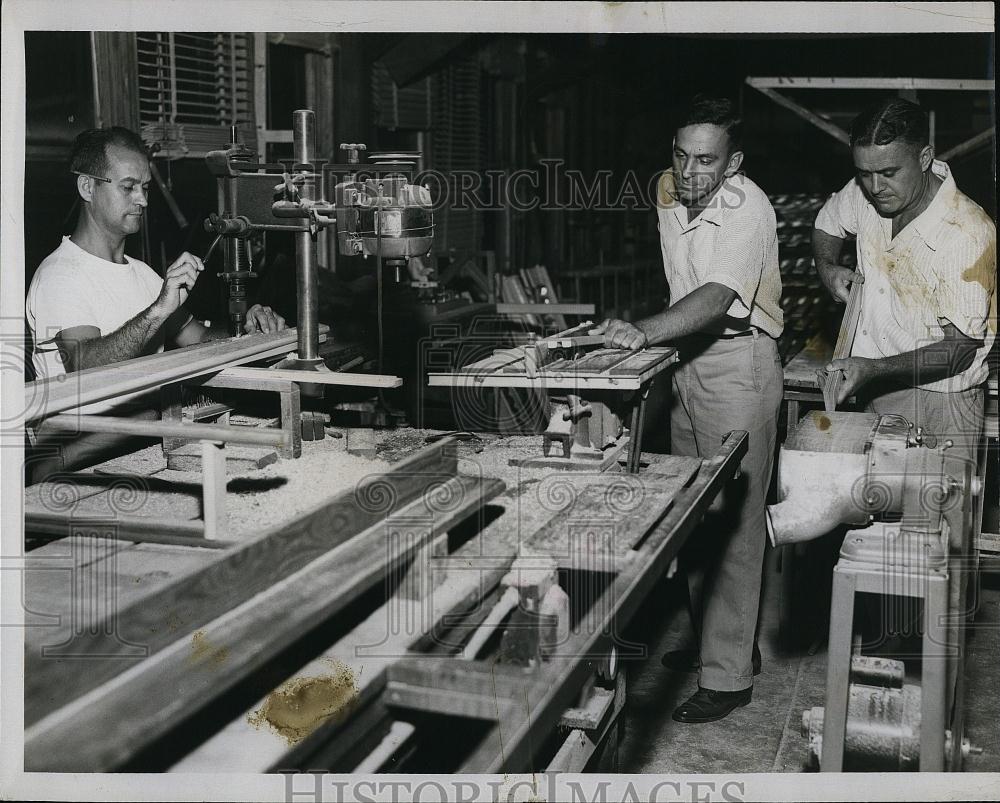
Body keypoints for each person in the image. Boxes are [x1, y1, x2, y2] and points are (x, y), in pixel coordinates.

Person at [593, 96, 783, 723]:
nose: (690, 171)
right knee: (694, 513)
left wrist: (643, 333)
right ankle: (716, 646)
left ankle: (728, 677)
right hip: (688, 362)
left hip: (739, 362)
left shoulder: (748, 207)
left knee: (735, 521)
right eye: (681, 154)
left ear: (735, 165)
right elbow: (682, 281)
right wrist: (664, 346)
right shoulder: (666, 191)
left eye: (707, 159)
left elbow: (715, 296)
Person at [25, 126, 286, 478]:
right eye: (128, 187)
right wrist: (159, 308)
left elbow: (197, 340)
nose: (143, 200)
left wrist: (248, 330)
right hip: (77, 460)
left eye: (145, 188)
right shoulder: (60, 275)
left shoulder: (143, 274)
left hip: (144, 441)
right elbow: (85, 367)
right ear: (88, 187)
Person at [813, 97, 996, 468]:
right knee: (870, 514)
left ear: (925, 158)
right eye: (864, 172)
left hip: (941, 404)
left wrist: (874, 369)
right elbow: (827, 223)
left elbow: (958, 350)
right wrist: (828, 267)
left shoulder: (967, 233)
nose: (875, 186)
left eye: (889, 172)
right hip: (874, 386)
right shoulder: (868, 187)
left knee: (933, 518)